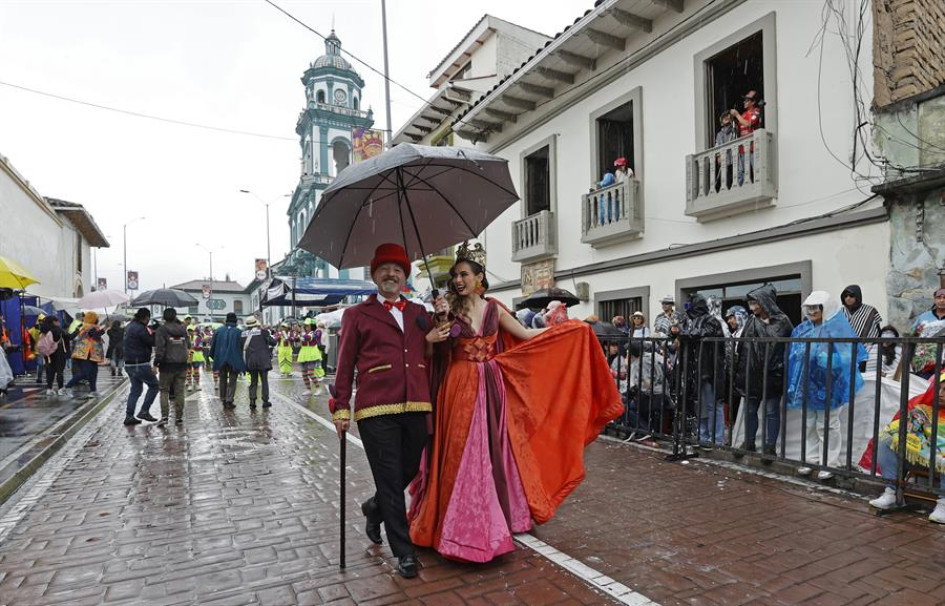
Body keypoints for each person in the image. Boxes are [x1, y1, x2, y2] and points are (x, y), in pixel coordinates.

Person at [408, 241, 623, 564]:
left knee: (491, 451)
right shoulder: (446, 311)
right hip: (457, 386)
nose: (458, 281)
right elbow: (432, 355)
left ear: (479, 277)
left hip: (491, 386)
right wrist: (436, 331)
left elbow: (525, 336)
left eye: (464, 274)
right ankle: (456, 524)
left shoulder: (495, 309)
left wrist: (566, 330)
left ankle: (493, 519)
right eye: (455, 276)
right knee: (458, 453)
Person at [330, 243, 446, 579]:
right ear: (374, 275)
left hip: (417, 404)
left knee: (406, 471)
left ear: (405, 276)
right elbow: (345, 362)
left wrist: (444, 315)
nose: (390, 274)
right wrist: (340, 406)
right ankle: (404, 551)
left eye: (397, 269)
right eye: (384, 269)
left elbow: (443, 344)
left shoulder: (420, 312)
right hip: (375, 409)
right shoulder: (357, 314)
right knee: (389, 477)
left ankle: (374, 507)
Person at [786, 291, 867, 479]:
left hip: (831, 383)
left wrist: (832, 359)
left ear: (826, 307)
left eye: (817, 307)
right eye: (810, 307)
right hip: (808, 383)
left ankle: (829, 463)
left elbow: (851, 354)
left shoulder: (837, 328)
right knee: (809, 423)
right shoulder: (802, 329)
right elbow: (794, 351)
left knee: (828, 424)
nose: (812, 311)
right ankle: (810, 459)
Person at [866, 370, 945, 523]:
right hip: (922, 456)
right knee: (887, 440)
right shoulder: (923, 408)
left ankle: (943, 503)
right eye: (938, 389)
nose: (940, 394)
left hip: (941, 460)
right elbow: (905, 429)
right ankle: (891, 492)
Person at [735, 285, 793, 456]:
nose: (752, 306)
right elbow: (743, 347)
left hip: (773, 375)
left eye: (755, 302)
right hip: (752, 375)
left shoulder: (783, 322)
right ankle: (749, 442)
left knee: (771, 411)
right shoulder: (752, 321)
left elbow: (788, 348)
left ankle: (769, 447)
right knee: (750, 410)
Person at [680, 293, 726, 444]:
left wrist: (689, 334)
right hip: (699, 368)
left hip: (711, 368)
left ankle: (716, 438)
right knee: (701, 405)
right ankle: (704, 436)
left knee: (713, 404)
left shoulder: (711, 320)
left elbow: (706, 333)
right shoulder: (694, 321)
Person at [154, 308, 190, 426]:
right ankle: (179, 418)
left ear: (164, 317)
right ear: (175, 316)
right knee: (180, 392)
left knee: (164, 391)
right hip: (182, 365)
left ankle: (164, 417)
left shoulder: (162, 330)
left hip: (167, 365)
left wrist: (156, 363)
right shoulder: (183, 329)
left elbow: (160, 349)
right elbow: (188, 345)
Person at [123, 308, 158, 425]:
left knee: (136, 390)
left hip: (129, 363)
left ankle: (129, 416)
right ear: (146, 317)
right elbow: (151, 341)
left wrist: (152, 331)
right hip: (140, 363)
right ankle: (144, 411)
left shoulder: (129, 326)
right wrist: (156, 332)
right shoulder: (141, 328)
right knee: (154, 385)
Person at [65, 311, 105, 398]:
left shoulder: (86, 327)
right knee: (85, 372)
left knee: (94, 372)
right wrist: (106, 328)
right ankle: (67, 386)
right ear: (93, 319)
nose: (98, 319)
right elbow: (95, 336)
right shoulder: (89, 327)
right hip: (86, 354)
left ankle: (93, 390)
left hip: (90, 354)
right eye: (96, 318)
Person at [210, 312, 245, 409]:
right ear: (236, 321)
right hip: (234, 359)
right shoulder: (239, 332)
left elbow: (213, 345)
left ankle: (223, 399)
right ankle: (229, 400)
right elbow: (242, 347)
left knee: (222, 378)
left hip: (221, 358)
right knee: (233, 379)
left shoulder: (218, 331)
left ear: (226, 320)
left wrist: (214, 357)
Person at [241, 316, 275, 409]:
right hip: (262, 360)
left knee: (253, 381)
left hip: (250, 360)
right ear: (256, 323)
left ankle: (252, 400)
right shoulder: (263, 332)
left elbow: (241, 347)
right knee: (264, 381)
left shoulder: (243, 334)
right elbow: (273, 342)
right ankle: (265, 401)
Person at [731, 89, 762, 185]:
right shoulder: (743, 114)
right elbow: (739, 132)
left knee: (756, 170)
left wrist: (736, 115)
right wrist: (734, 124)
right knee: (743, 172)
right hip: (743, 149)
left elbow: (749, 124)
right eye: (744, 100)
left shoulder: (756, 111)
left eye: (747, 100)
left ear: (753, 102)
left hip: (753, 147)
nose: (744, 102)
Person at [298, 319, 323, 394]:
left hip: (312, 354)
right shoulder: (304, 333)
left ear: (312, 326)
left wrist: (300, 332)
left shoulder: (314, 333)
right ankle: (308, 389)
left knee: (310, 373)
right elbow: (297, 340)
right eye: (305, 326)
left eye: (307, 326)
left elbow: (308, 338)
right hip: (304, 354)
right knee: (304, 374)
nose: (306, 327)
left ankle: (318, 388)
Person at [714, 111, 736, 191]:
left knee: (732, 176)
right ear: (721, 121)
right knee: (724, 177)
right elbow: (717, 146)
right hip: (724, 159)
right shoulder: (719, 134)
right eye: (724, 117)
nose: (726, 118)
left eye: (728, 116)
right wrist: (718, 156)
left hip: (733, 158)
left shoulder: (734, 130)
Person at [186, 325, 204, 391]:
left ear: (194, 331)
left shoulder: (198, 338)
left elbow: (200, 347)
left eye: (191, 330)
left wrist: (193, 347)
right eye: (189, 330)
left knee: (196, 371)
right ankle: (189, 384)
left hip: (196, 357)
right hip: (187, 357)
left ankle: (197, 384)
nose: (190, 332)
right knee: (188, 372)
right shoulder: (186, 338)